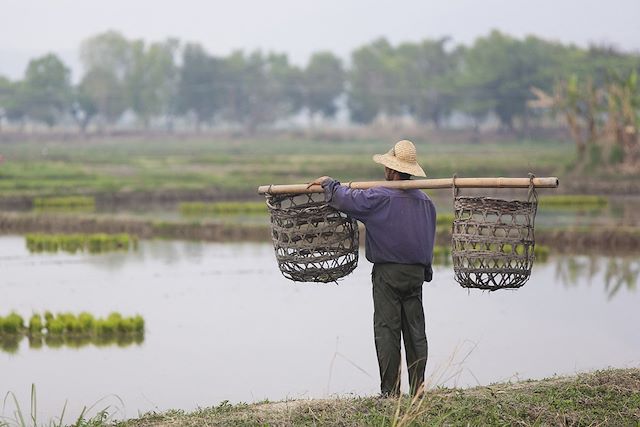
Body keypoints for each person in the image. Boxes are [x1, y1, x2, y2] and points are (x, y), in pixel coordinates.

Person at [309, 139, 436, 397]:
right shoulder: (426, 202)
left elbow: (346, 200)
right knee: (415, 331)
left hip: (388, 274)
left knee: (387, 330)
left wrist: (329, 183)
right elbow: (428, 238)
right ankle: (419, 389)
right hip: (416, 275)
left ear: (392, 170)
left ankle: (390, 392)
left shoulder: (379, 196)